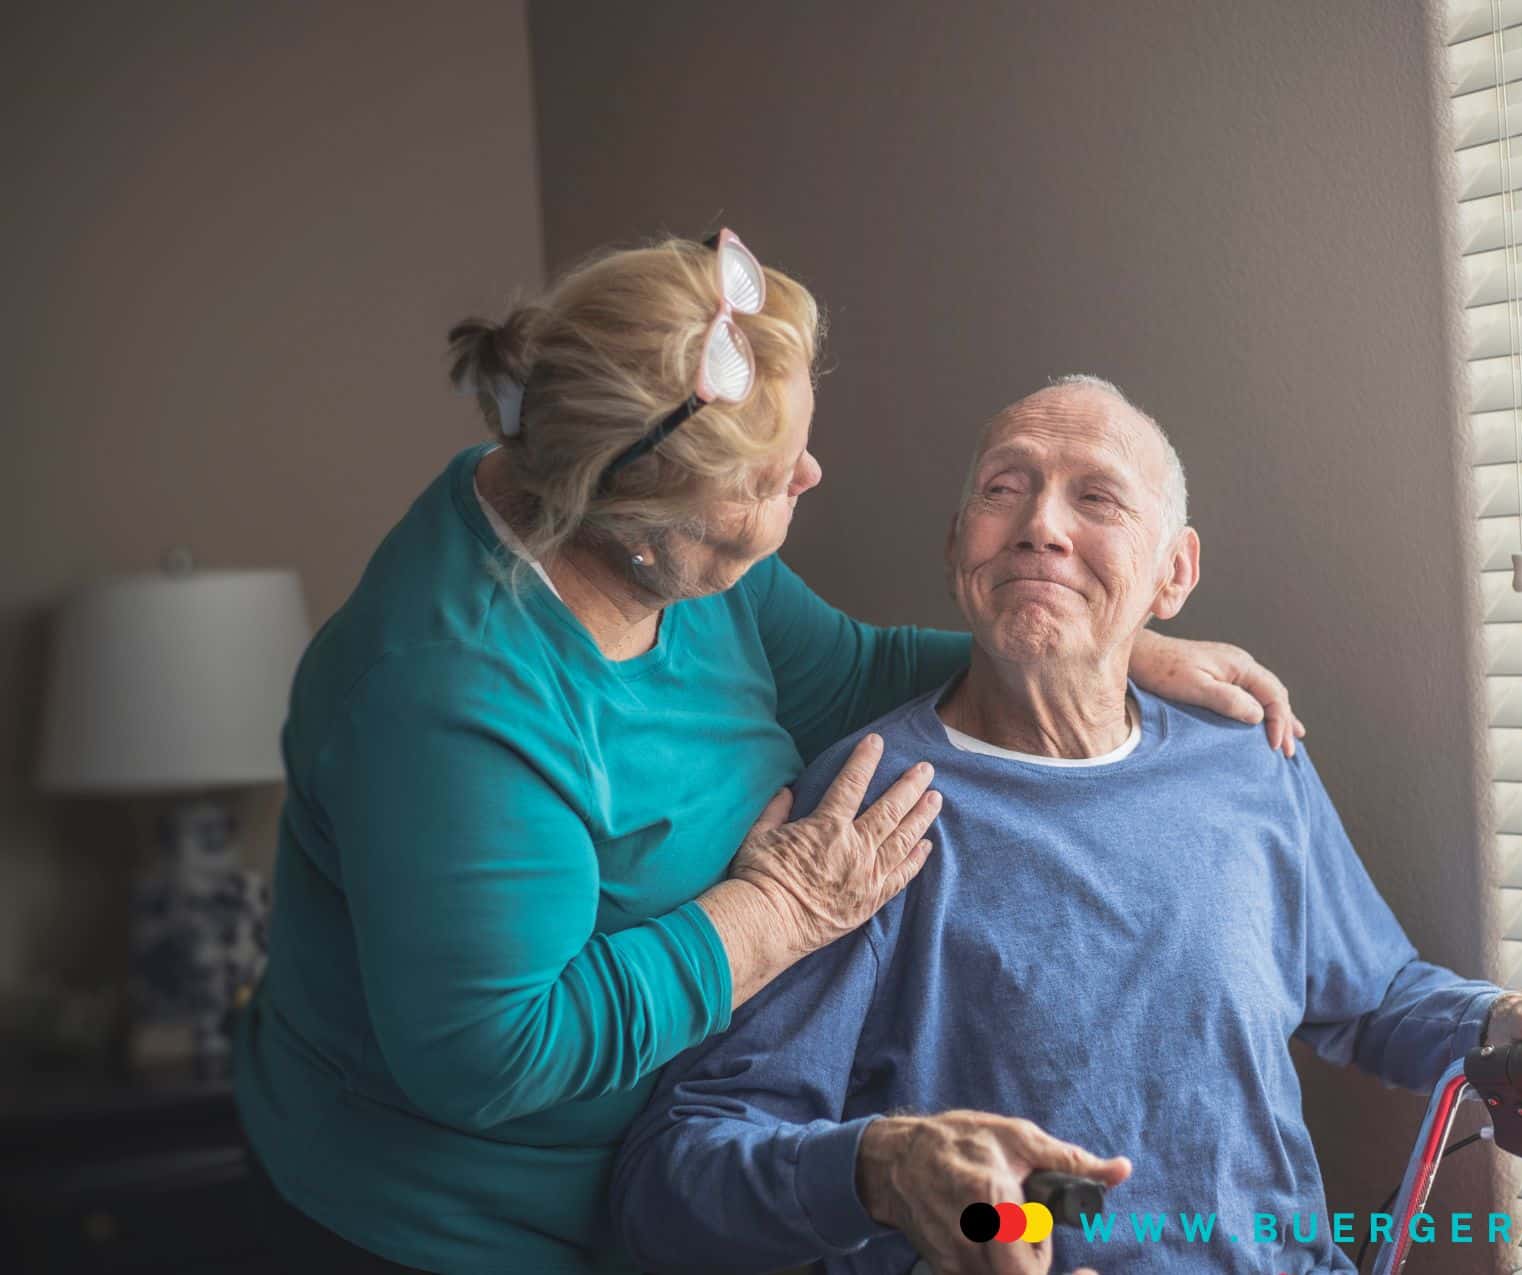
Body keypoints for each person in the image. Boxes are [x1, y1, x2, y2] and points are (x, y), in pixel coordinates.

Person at [230, 234, 1306, 1275]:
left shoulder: (650, 541)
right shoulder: (446, 695)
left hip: (656, 1198)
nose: (808, 472)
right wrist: (773, 918)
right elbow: (496, 1050)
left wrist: (1107, 642)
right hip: (444, 1230)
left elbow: (850, 669)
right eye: (764, 476)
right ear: (633, 514)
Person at [615, 377, 1522, 1275]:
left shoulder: (1250, 765)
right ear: (960, 546)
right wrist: (883, 1165)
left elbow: (1372, 994)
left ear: (1174, 573)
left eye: (1097, 498)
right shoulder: (865, 814)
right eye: (1007, 489)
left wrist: (1511, 1030)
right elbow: (677, 1174)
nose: (1042, 524)